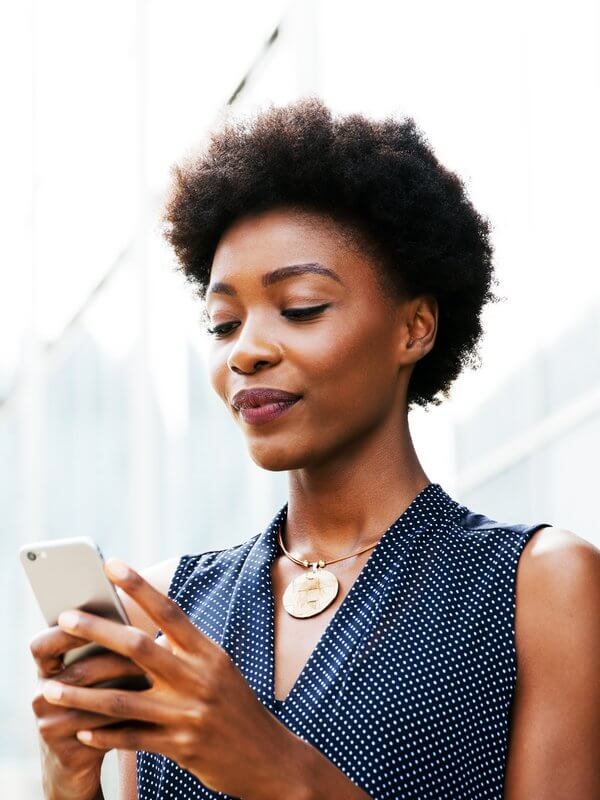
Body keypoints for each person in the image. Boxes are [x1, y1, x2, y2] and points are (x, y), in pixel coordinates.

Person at [29, 98, 600, 800]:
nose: (247, 352)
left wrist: (284, 775)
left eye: (299, 308)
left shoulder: (536, 587)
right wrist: (67, 777)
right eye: (222, 323)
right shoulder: (166, 606)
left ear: (414, 328)